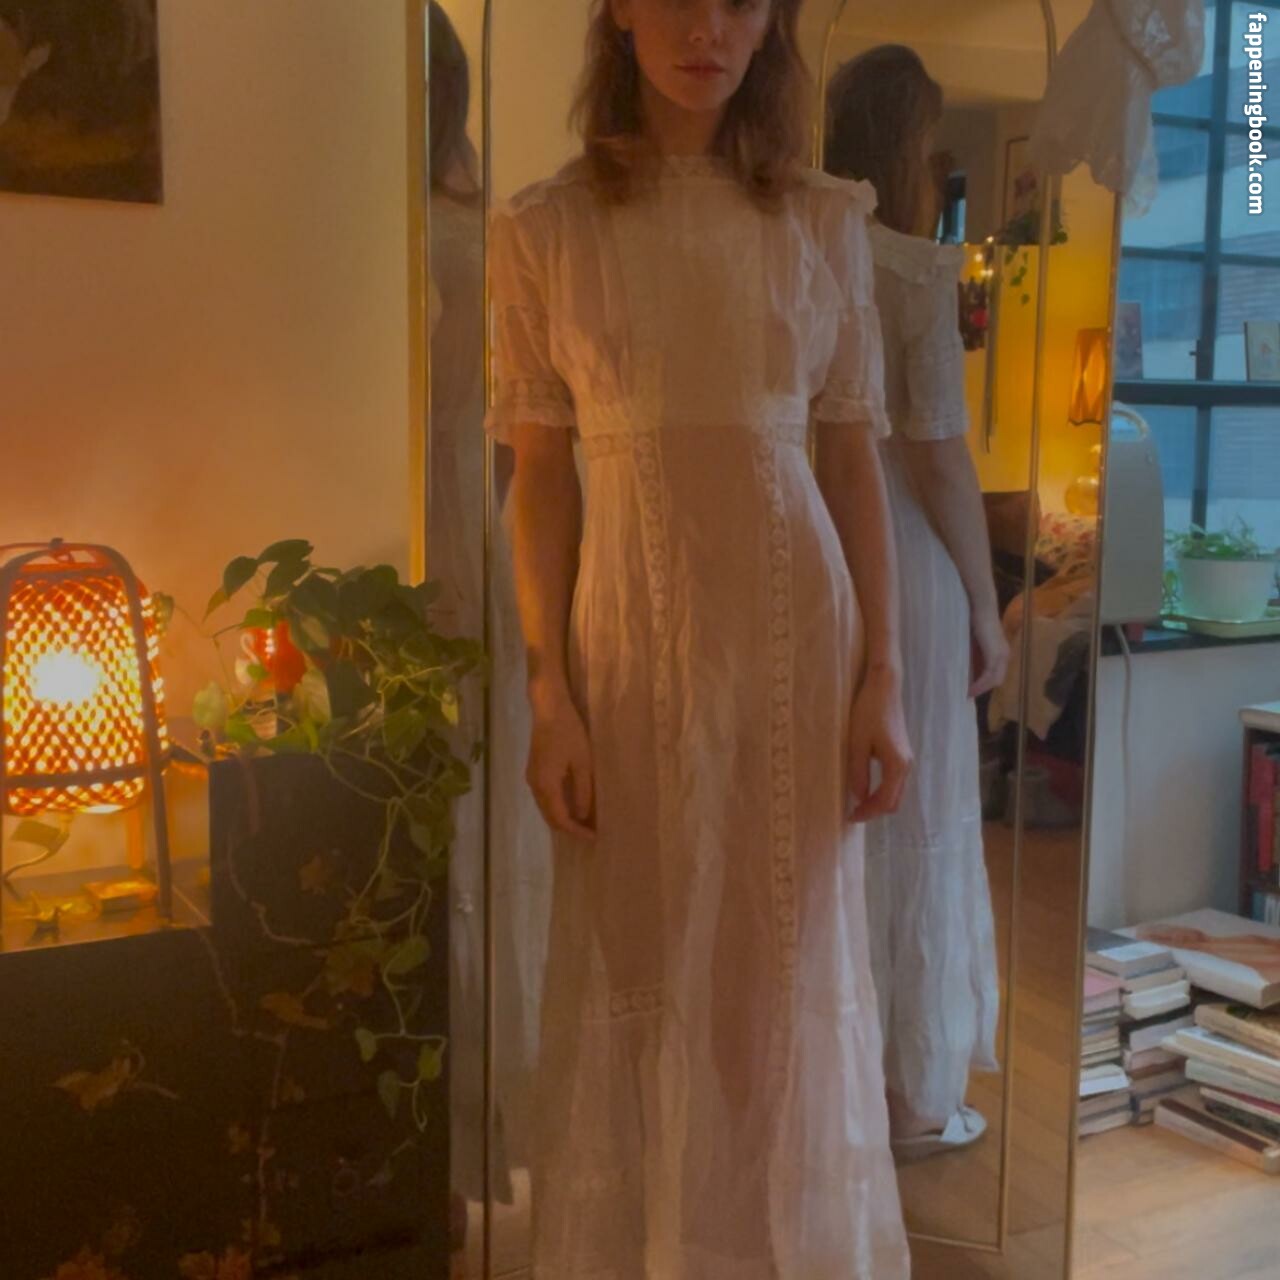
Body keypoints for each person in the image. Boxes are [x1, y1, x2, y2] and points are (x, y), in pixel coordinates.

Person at [485, 1, 913, 1274]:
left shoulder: (824, 219)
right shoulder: (545, 229)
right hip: (627, 635)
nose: (704, 26)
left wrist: (884, 676)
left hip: (795, 633)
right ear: (616, 8)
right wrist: (547, 692)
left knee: (778, 962)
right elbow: (538, 477)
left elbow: (851, 461)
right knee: (639, 946)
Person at [825, 44, 1008, 1162]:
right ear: (908, 147)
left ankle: (839, 1083)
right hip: (906, 555)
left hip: (820, 557)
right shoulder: (910, 268)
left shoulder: (804, 244)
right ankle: (909, 1093)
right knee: (922, 810)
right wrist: (987, 604)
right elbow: (938, 454)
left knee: (837, 818)